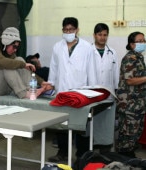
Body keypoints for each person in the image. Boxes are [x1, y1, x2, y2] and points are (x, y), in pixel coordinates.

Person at [47, 17, 97, 162]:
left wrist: (92, 92)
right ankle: (62, 152)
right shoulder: (57, 47)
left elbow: (91, 70)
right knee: (61, 124)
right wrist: (51, 83)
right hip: (62, 91)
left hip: (81, 92)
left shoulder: (87, 47)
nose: (68, 32)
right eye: (65, 30)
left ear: (77, 30)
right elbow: (54, 68)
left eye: (71, 29)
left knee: (81, 124)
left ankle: (82, 154)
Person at [0, 27, 48, 99]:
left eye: (17, 47)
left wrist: (41, 82)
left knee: (19, 60)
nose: (15, 50)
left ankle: (29, 90)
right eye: (14, 47)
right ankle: (23, 94)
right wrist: (23, 64)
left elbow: (25, 68)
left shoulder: (10, 54)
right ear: (6, 43)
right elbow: (3, 62)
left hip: (5, 88)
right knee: (8, 65)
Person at [116, 31, 146, 158]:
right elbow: (130, 80)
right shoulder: (130, 58)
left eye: (144, 40)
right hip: (129, 103)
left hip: (138, 102)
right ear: (132, 44)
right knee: (128, 131)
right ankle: (124, 156)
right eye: (140, 41)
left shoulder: (139, 57)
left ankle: (129, 153)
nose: (143, 43)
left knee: (136, 130)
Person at [90, 23, 119, 153]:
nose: (102, 37)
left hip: (108, 94)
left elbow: (116, 73)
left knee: (106, 125)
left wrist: (116, 90)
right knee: (90, 124)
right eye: (100, 34)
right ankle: (88, 152)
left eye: (105, 34)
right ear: (94, 35)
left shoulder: (112, 52)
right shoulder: (87, 51)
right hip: (91, 94)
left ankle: (105, 152)